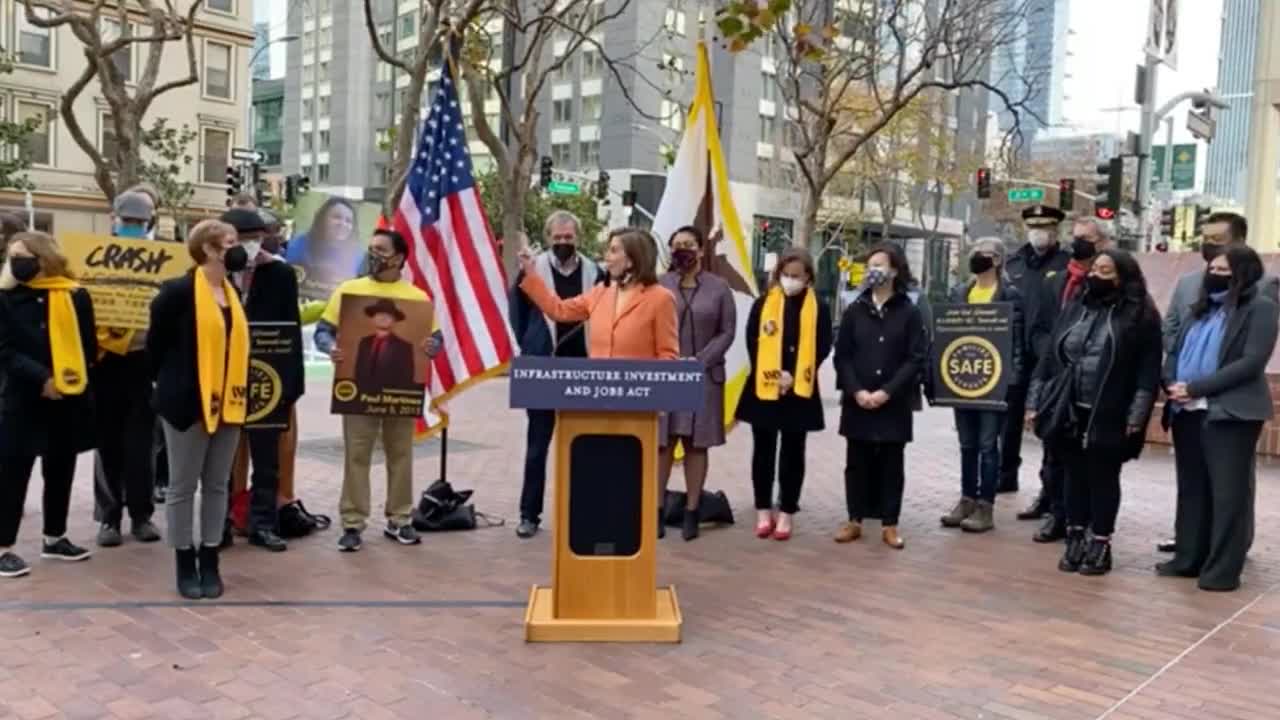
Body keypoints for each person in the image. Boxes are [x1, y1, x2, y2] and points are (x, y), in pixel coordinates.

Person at [1028, 249, 1162, 576]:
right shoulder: (1077, 307)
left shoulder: (1141, 316)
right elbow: (1049, 358)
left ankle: (1100, 541)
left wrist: (1136, 417)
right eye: (1095, 269)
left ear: (1123, 277)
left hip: (1110, 411)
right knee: (1073, 475)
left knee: (1103, 477)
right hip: (1068, 408)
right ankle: (1075, 535)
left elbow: (1148, 373)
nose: (1096, 276)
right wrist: (1036, 400)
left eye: (1106, 271)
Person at [1156, 211, 1278, 553]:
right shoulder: (1189, 283)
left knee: (1230, 484)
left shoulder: (1263, 287)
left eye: (1218, 241)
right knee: (1191, 480)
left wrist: (1201, 384)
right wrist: (1176, 376)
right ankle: (1190, 542)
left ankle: (1229, 546)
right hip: (1187, 402)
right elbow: (1173, 328)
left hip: (1229, 402)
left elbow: (1251, 356)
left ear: (1239, 242)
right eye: (1205, 241)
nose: (1209, 248)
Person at [314, 229, 442, 552]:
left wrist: (432, 345)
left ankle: (400, 519)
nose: (373, 255)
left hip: (401, 391)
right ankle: (353, 522)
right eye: (370, 248)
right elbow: (323, 332)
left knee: (401, 454)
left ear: (398, 258)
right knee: (357, 454)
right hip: (357, 390)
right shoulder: (349, 291)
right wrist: (331, 348)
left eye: (380, 250)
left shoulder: (417, 297)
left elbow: (435, 339)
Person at [148, 220, 251, 599]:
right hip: (187, 404)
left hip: (230, 402)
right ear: (208, 249)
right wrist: (171, 385)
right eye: (231, 242)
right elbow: (155, 347)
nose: (240, 250)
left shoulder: (233, 293)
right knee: (181, 486)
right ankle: (183, 559)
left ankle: (210, 558)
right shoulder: (176, 292)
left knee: (217, 484)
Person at [0, 232, 98, 578]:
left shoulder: (76, 295)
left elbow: (88, 346)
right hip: (22, 397)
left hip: (66, 399)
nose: (16, 262)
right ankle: (4, 546)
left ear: (45, 258)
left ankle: (55, 537)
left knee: (60, 467)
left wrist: (72, 382)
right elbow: (5, 351)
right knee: (12, 471)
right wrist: (41, 379)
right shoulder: (6, 298)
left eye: (24, 255)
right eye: (12, 256)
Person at [509, 214, 606, 539]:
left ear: (578, 237)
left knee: (582, 445)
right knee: (537, 446)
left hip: (583, 368)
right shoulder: (531, 269)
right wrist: (531, 345)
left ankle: (582, 512)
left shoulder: (595, 272)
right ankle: (529, 515)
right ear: (548, 236)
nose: (563, 242)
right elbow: (517, 316)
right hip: (543, 369)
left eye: (569, 237)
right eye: (558, 237)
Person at [1018, 215, 1114, 542]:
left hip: (1089, 382)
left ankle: (1079, 516)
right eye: (1075, 237)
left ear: (1102, 243)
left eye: (1085, 237)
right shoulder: (1056, 281)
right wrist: (1054, 354)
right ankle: (1055, 509)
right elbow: (1043, 326)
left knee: (1083, 457)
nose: (1078, 243)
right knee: (1053, 449)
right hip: (1055, 377)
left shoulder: (1108, 282)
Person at [833, 243, 927, 550]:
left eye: (881, 265)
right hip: (857, 400)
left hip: (893, 402)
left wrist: (887, 391)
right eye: (870, 265)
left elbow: (915, 358)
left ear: (895, 270)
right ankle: (854, 519)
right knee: (855, 462)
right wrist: (857, 390)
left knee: (891, 464)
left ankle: (890, 524)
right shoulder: (855, 309)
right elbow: (843, 356)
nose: (874, 270)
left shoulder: (910, 312)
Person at [221, 208, 304, 553]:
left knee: (266, 457)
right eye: (241, 239)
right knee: (221, 458)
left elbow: (292, 329)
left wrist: (290, 386)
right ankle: (221, 523)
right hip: (223, 379)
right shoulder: (210, 275)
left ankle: (263, 523)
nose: (250, 244)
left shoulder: (280, 274)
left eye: (255, 237)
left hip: (267, 378)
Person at [736, 247, 833, 541]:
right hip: (765, 389)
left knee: (793, 452)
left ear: (808, 278)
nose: (790, 281)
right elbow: (752, 340)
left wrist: (796, 373)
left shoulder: (820, 308)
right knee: (763, 451)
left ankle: (787, 511)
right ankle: (763, 509)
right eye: (786, 275)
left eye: (796, 276)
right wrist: (773, 374)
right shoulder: (764, 303)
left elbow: (824, 344)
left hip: (799, 390)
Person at [93, 190, 163, 547]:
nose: (133, 226)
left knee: (142, 445)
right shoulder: (96, 259)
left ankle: (141, 514)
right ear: (114, 218)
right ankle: (108, 516)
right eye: (128, 220)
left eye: (139, 222)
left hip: (143, 362)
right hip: (105, 361)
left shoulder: (164, 261)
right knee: (107, 443)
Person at [939, 239, 1023, 533]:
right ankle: (966, 498)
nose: (975, 258)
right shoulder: (960, 292)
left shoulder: (1009, 294)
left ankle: (985, 506)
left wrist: (1011, 381)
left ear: (998, 260)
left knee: (988, 445)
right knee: (967, 444)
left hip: (994, 381)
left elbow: (1016, 343)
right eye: (973, 253)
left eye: (982, 254)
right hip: (964, 378)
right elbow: (949, 333)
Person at [657, 226, 736, 541]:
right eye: (676, 246)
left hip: (703, 377)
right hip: (667, 375)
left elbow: (727, 331)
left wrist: (700, 360)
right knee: (663, 444)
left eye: (688, 245)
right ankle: (658, 511)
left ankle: (691, 511)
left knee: (695, 444)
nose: (682, 251)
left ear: (702, 250)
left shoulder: (719, 287)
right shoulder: (661, 285)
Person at [515, 226, 678, 361]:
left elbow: (668, 355)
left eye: (614, 251)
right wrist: (530, 271)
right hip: (598, 393)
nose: (606, 257)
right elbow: (559, 310)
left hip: (639, 394)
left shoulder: (661, 299)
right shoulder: (601, 292)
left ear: (633, 259)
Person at [1000, 205, 1069, 494]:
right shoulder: (1013, 264)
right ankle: (1005, 477)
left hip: (1050, 355)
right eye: (1035, 227)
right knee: (1009, 420)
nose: (1040, 233)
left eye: (1046, 227)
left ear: (1056, 231)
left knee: (1051, 422)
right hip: (1016, 354)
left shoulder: (1067, 264)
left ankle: (1048, 489)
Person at [286, 196, 360, 297]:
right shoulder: (298, 245)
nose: (342, 224)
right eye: (337, 217)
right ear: (322, 219)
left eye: (348, 221)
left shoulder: (358, 257)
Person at [353, 299, 417, 388]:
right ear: (373, 318)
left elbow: (407, 380)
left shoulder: (404, 347)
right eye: (379, 314)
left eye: (388, 315)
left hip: (390, 398)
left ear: (394, 320)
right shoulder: (364, 342)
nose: (383, 317)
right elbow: (358, 373)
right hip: (362, 395)